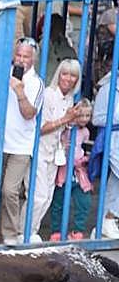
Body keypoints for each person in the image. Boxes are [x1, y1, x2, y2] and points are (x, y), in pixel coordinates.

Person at [31, 59, 88, 236]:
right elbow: (39, 129)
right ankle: (24, 232)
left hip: (56, 153)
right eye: (65, 73)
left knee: (47, 197)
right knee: (38, 197)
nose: (68, 78)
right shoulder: (48, 95)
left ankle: (32, 231)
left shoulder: (70, 99)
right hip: (40, 150)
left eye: (73, 75)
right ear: (58, 74)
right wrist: (66, 119)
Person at [0, 37, 45, 244]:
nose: (21, 60)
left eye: (26, 56)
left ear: (33, 59)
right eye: (18, 55)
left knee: (10, 190)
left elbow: (29, 114)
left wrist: (19, 91)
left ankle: (10, 234)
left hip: (21, 146)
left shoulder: (36, 83)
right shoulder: (3, 72)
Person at [48, 99, 93, 240]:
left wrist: (84, 160)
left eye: (87, 116)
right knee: (58, 202)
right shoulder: (66, 129)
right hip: (64, 169)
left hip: (79, 171)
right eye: (81, 115)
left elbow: (84, 149)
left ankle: (77, 231)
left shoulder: (85, 132)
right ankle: (56, 231)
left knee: (84, 201)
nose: (84, 119)